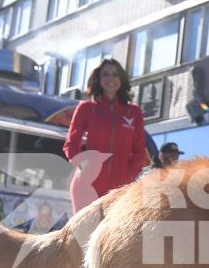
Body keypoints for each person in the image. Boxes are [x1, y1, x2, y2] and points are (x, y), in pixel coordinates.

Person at [62, 58, 147, 212]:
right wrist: (84, 166)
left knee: (112, 235)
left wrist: (128, 176)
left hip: (119, 189)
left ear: (121, 79)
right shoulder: (86, 108)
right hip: (87, 184)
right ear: (98, 79)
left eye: (115, 74)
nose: (111, 79)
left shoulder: (134, 113)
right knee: (84, 234)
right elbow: (71, 144)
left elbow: (140, 151)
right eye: (105, 74)